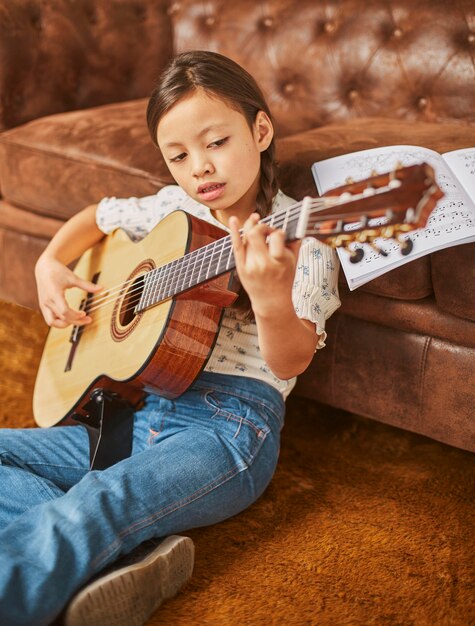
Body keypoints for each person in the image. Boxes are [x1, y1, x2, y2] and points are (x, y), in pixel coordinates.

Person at [0, 51, 340, 625]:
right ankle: (126, 561)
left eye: (216, 143)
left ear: (260, 130)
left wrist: (269, 296)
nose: (199, 169)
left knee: (97, 504)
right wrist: (49, 264)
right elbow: (96, 217)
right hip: (139, 411)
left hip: (228, 430)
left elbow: (292, 358)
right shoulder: (170, 209)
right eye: (178, 156)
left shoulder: (303, 236)